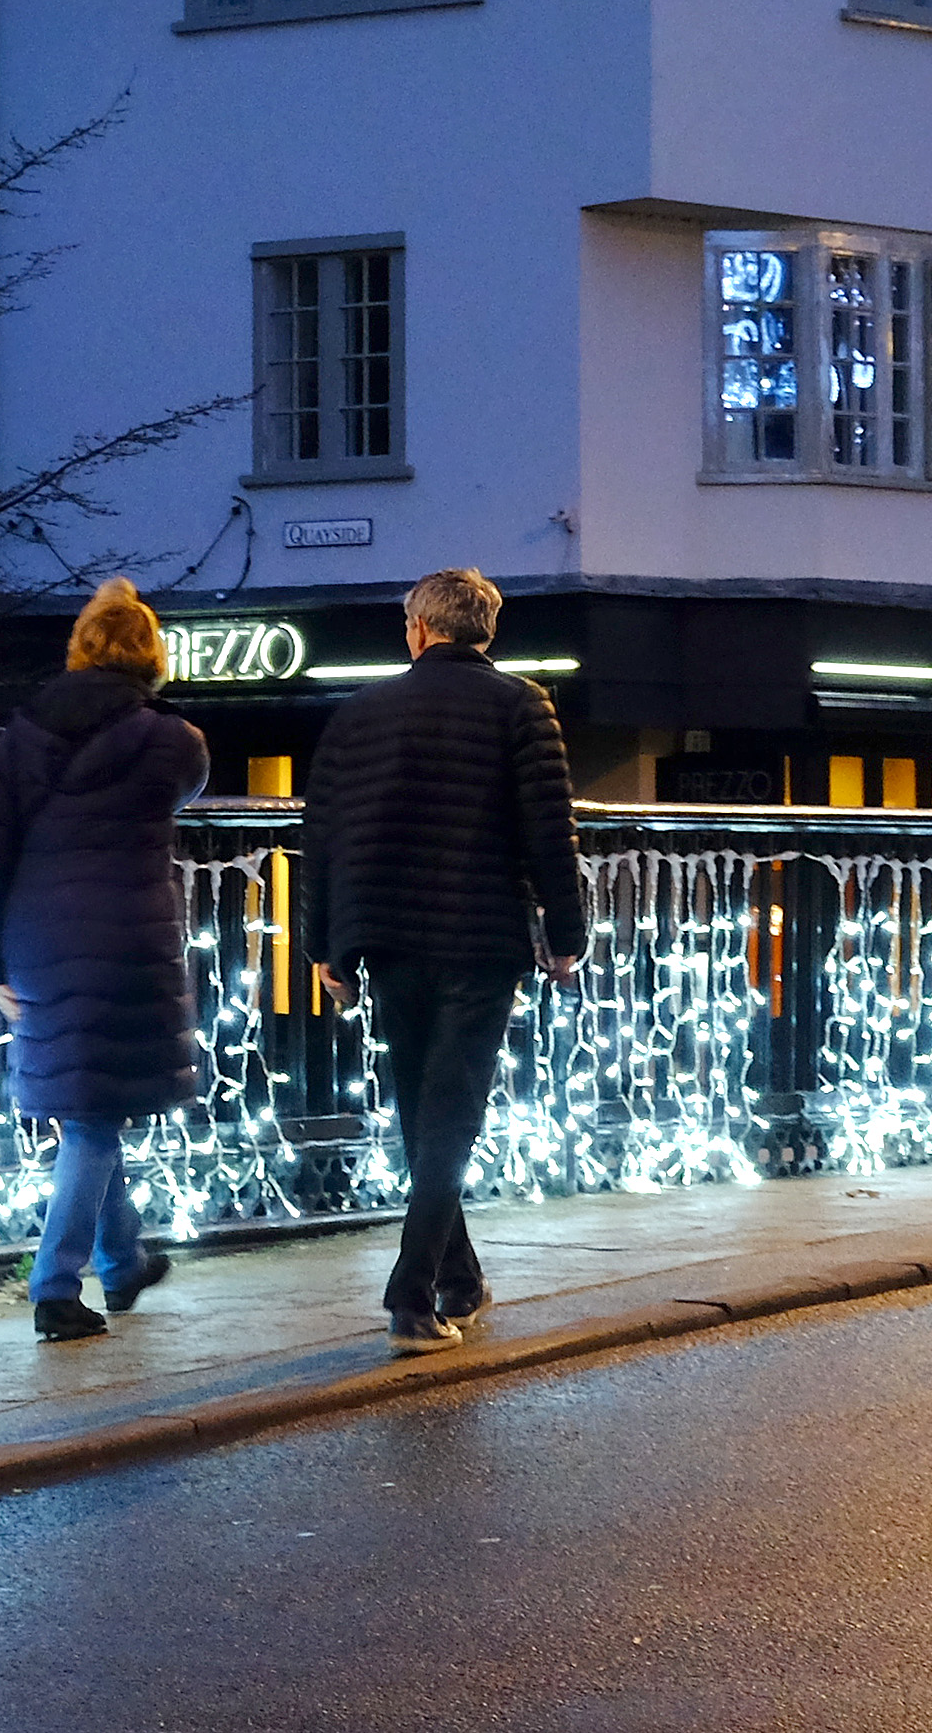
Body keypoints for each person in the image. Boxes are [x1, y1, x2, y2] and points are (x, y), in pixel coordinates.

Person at [299, 567, 585, 1354]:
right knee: (450, 1117)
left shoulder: (360, 712)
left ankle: (459, 1279)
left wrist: (326, 948)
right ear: (484, 631)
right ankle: (410, 1296)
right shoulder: (521, 707)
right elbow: (546, 832)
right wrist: (566, 937)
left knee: (419, 1113)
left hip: (385, 935)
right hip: (478, 936)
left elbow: (321, 836)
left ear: (419, 630)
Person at [0, 577, 210, 1341]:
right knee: (95, 1115)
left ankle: (110, 1262)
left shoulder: (19, 740)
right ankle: (61, 1283)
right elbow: (185, 790)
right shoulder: (174, 743)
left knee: (87, 1112)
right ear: (152, 657)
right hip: (130, 939)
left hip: (40, 945)